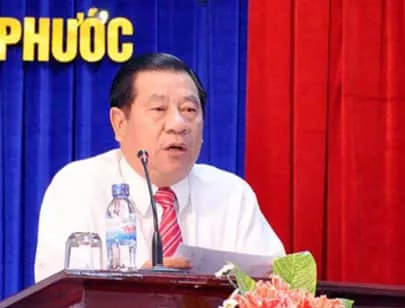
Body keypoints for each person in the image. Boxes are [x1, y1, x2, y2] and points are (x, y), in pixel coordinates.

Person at [34, 52, 284, 282]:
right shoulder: (77, 187)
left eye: (189, 110)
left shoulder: (232, 194)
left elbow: (276, 288)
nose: (178, 124)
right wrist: (134, 289)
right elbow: (59, 301)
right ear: (119, 123)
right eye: (159, 109)